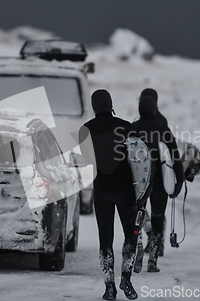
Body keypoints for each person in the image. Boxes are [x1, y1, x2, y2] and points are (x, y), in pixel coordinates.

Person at [79, 89, 139, 300]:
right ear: (110, 104)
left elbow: (85, 162)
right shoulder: (127, 127)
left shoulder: (85, 130)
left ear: (94, 106)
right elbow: (140, 162)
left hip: (101, 191)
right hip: (126, 191)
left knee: (106, 240)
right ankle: (126, 278)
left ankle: (109, 287)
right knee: (131, 235)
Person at [132, 95, 184, 272]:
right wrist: (178, 185)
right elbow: (176, 161)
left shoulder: (133, 128)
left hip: (140, 182)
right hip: (161, 184)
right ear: (155, 109)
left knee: (137, 217)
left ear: (140, 109)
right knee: (157, 218)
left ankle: (136, 249)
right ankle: (152, 261)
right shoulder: (164, 130)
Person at [138, 88, 168, 258]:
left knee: (140, 211)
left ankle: (144, 243)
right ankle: (157, 249)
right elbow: (170, 154)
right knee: (158, 214)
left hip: (141, 177)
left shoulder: (134, 125)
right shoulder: (163, 122)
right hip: (160, 178)